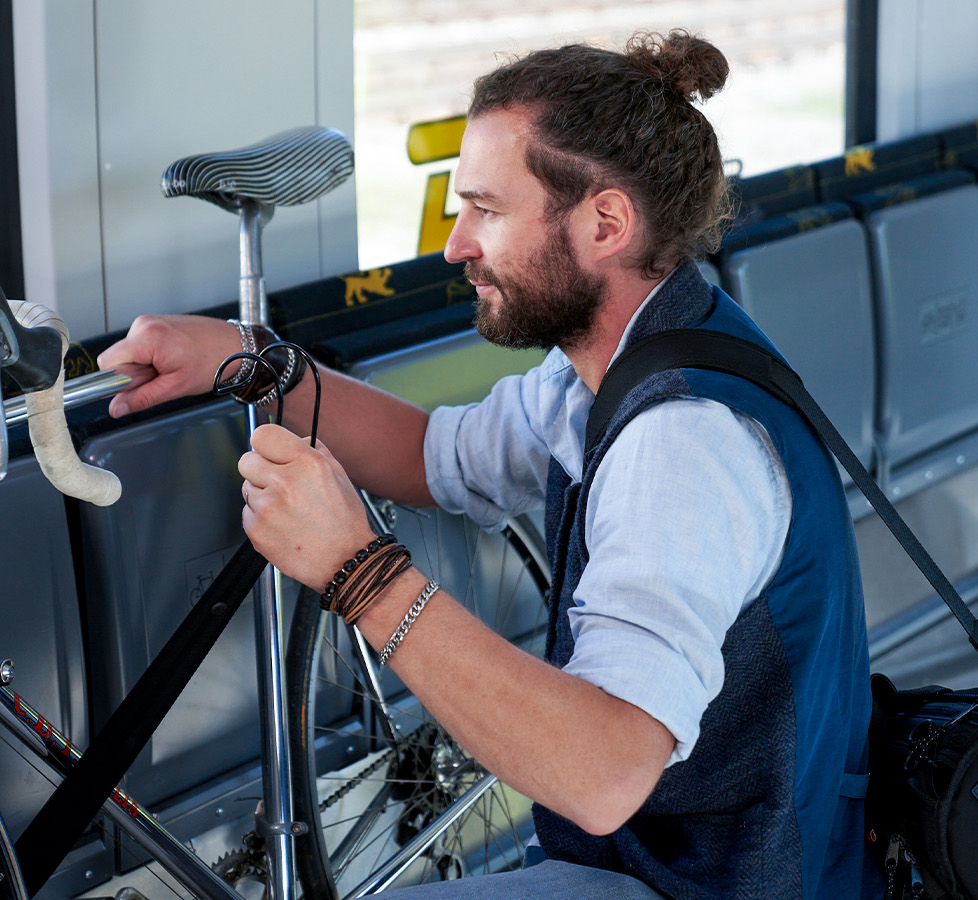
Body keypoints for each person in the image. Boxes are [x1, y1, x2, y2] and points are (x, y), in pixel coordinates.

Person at [97, 30, 875, 900]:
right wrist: (253, 361)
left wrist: (359, 572)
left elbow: (601, 774)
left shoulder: (683, 442)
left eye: (487, 210)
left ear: (605, 223)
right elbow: (435, 457)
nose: (455, 245)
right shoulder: (623, 361)